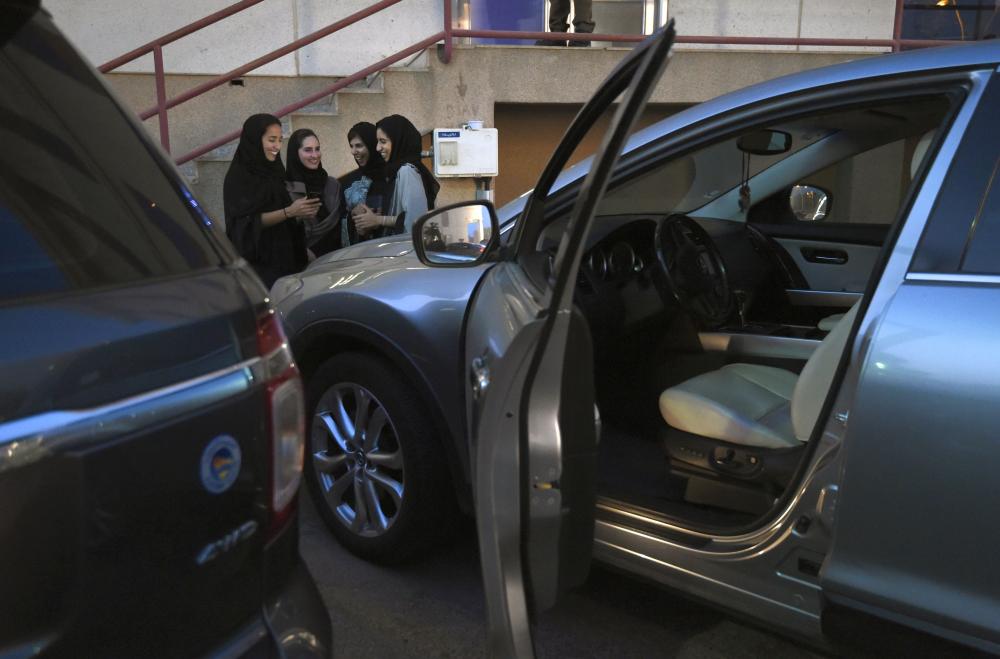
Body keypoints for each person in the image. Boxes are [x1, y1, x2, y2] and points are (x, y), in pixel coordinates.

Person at [224, 113, 319, 288]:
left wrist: (299, 213)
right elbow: (245, 224)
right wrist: (289, 212)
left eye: (280, 140)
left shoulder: (275, 171)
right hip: (259, 266)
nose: (277, 146)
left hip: (285, 258)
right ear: (254, 139)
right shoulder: (239, 178)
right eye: (271, 140)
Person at [352, 114, 439, 238]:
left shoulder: (407, 171)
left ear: (399, 141)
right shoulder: (396, 171)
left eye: (383, 141)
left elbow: (415, 220)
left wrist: (379, 220)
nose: (377, 148)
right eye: (377, 142)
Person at [285, 128, 342, 257]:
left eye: (317, 149)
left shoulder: (333, 184)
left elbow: (342, 223)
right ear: (295, 153)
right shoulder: (284, 190)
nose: (315, 155)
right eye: (308, 150)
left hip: (339, 257)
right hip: (304, 261)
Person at [337, 121, 386, 245]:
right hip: (359, 253)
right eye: (351, 146)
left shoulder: (392, 175)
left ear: (371, 145)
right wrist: (353, 214)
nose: (353, 151)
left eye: (359, 145)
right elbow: (340, 217)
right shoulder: (348, 182)